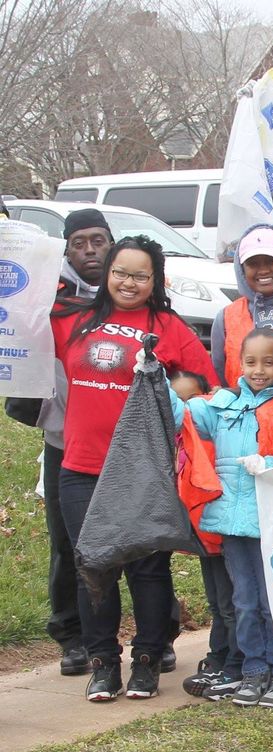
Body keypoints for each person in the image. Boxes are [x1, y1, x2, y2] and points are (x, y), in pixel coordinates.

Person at [51, 235, 217, 701]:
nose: (129, 282)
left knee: (147, 569)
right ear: (107, 273)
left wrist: (171, 384)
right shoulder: (75, 320)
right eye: (120, 272)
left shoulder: (169, 327)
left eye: (140, 275)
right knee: (95, 567)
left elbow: (203, 388)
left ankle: (146, 661)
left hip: (145, 470)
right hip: (82, 467)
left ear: (155, 280)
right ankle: (103, 664)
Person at [175, 328, 273, 708]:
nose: (259, 369)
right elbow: (181, 413)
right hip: (232, 521)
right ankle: (253, 669)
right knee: (243, 602)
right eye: (251, 362)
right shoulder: (221, 404)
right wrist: (153, 377)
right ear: (238, 363)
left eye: (268, 361)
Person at [23, 209, 112, 678]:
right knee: (68, 543)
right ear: (67, 249)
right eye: (80, 242)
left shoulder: (132, 290)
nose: (91, 250)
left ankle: (154, 633)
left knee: (140, 538)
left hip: (125, 442)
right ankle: (72, 635)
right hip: (64, 440)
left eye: (98, 240)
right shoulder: (46, 298)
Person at [209, 225, 273, 388]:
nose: (263, 270)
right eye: (253, 263)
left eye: (272, 261)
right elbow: (219, 376)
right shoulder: (226, 317)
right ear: (241, 269)